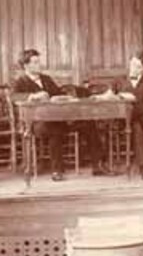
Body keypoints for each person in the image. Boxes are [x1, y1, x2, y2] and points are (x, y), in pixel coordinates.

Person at [12, 48, 107, 181]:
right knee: (54, 129)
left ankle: (98, 165)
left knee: (88, 123)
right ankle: (57, 170)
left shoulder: (46, 79)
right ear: (26, 65)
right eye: (35, 62)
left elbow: (58, 93)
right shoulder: (20, 81)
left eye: (39, 62)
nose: (39, 65)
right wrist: (33, 96)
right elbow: (15, 97)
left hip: (58, 119)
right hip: (36, 124)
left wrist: (66, 98)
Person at [114, 50, 143, 179]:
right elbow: (110, 96)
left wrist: (134, 100)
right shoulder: (120, 81)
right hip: (128, 118)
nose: (134, 69)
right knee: (137, 129)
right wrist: (118, 96)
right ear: (130, 62)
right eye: (133, 64)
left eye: (138, 67)